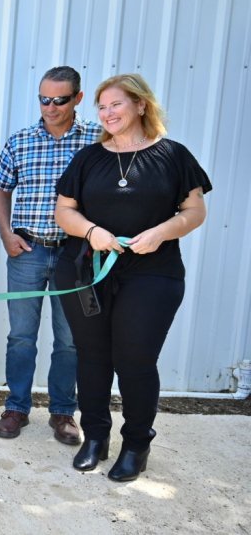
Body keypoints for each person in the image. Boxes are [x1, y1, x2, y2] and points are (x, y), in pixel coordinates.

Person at [53, 73, 210, 481]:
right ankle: (95, 437)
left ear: (141, 105)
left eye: (116, 105)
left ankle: (137, 443)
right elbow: (64, 212)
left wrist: (160, 233)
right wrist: (92, 231)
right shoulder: (88, 158)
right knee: (92, 356)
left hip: (153, 274)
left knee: (136, 359)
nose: (107, 113)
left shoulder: (174, 156)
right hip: (88, 270)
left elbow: (194, 213)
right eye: (102, 107)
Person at [0, 66, 101, 444]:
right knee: (21, 335)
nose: (50, 107)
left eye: (60, 100)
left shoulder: (99, 139)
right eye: (43, 99)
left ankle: (63, 412)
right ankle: (16, 407)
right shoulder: (21, 140)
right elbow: (1, 190)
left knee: (70, 339)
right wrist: (6, 235)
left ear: (78, 99)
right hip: (27, 251)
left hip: (76, 256)